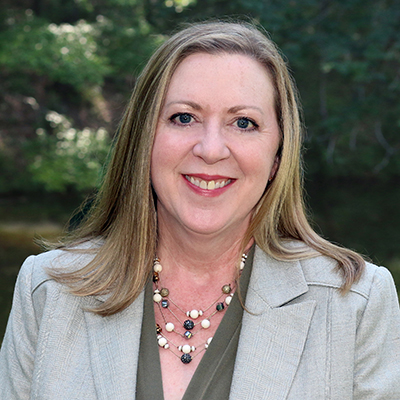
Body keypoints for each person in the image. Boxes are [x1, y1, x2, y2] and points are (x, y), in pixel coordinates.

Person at [1, 21, 399, 400]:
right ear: (144, 140)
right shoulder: (49, 293)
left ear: (277, 154)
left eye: (243, 123)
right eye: (184, 117)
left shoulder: (355, 305)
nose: (210, 149)